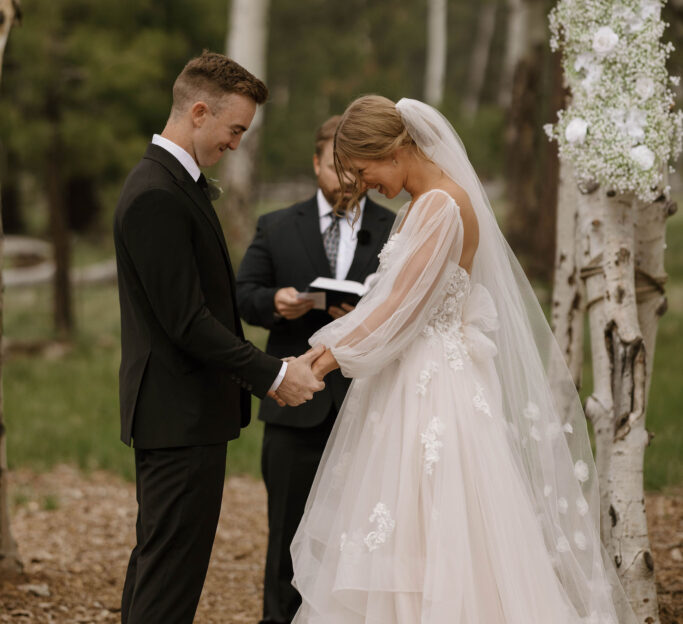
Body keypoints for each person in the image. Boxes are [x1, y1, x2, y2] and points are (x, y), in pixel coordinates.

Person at [291, 95, 638, 624]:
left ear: (393, 147)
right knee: (412, 539)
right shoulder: (421, 204)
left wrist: (317, 362)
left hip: (429, 392)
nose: (363, 186)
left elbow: (396, 311)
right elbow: (388, 305)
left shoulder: (438, 205)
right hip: (413, 381)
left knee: (429, 535)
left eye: (363, 171)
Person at [113, 52, 324, 624]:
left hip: (185, 414)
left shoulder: (173, 183)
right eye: (235, 130)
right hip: (176, 415)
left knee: (160, 567)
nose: (236, 144)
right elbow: (187, 321)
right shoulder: (157, 192)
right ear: (199, 112)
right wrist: (273, 372)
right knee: (168, 581)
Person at [237, 115, 395, 624]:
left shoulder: (397, 227)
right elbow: (243, 295)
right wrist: (275, 302)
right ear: (316, 163)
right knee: (287, 532)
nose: (345, 180)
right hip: (294, 407)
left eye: (353, 169)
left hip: (370, 404)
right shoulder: (277, 225)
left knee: (366, 533)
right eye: (335, 166)